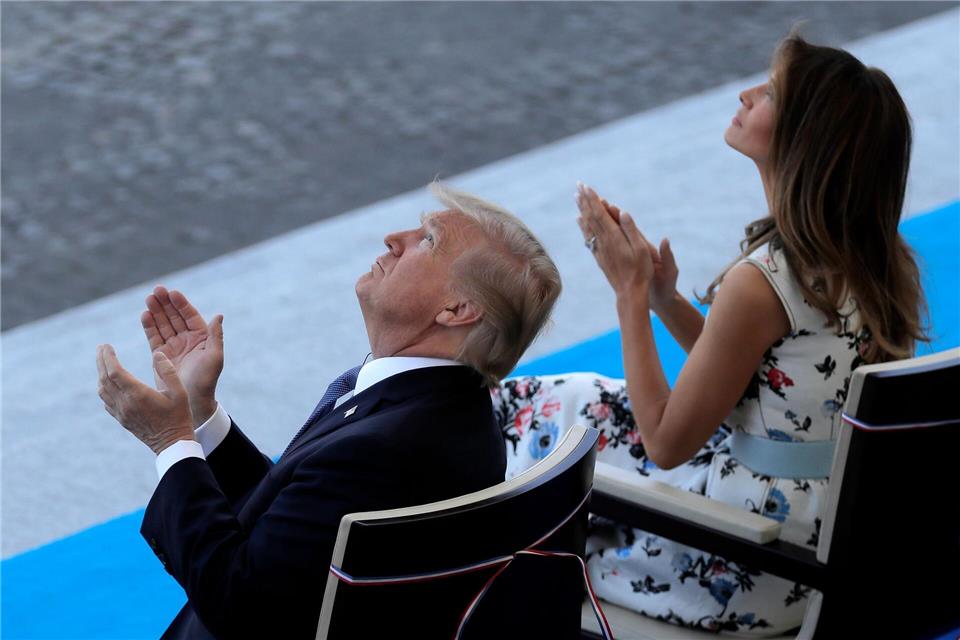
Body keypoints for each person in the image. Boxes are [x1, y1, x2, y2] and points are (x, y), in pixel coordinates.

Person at [493, 32, 926, 635]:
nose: (746, 93)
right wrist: (665, 298)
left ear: (804, 138)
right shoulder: (872, 261)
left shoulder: (764, 281)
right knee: (573, 398)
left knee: (540, 436)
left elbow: (667, 441)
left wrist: (628, 295)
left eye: (771, 92)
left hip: (745, 560)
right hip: (822, 534)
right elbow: (761, 382)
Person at [96, 182, 561, 639]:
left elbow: (243, 610)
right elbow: (299, 519)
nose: (394, 239)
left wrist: (171, 443)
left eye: (428, 240)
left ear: (457, 308)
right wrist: (201, 414)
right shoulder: (441, 410)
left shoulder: (386, 450)